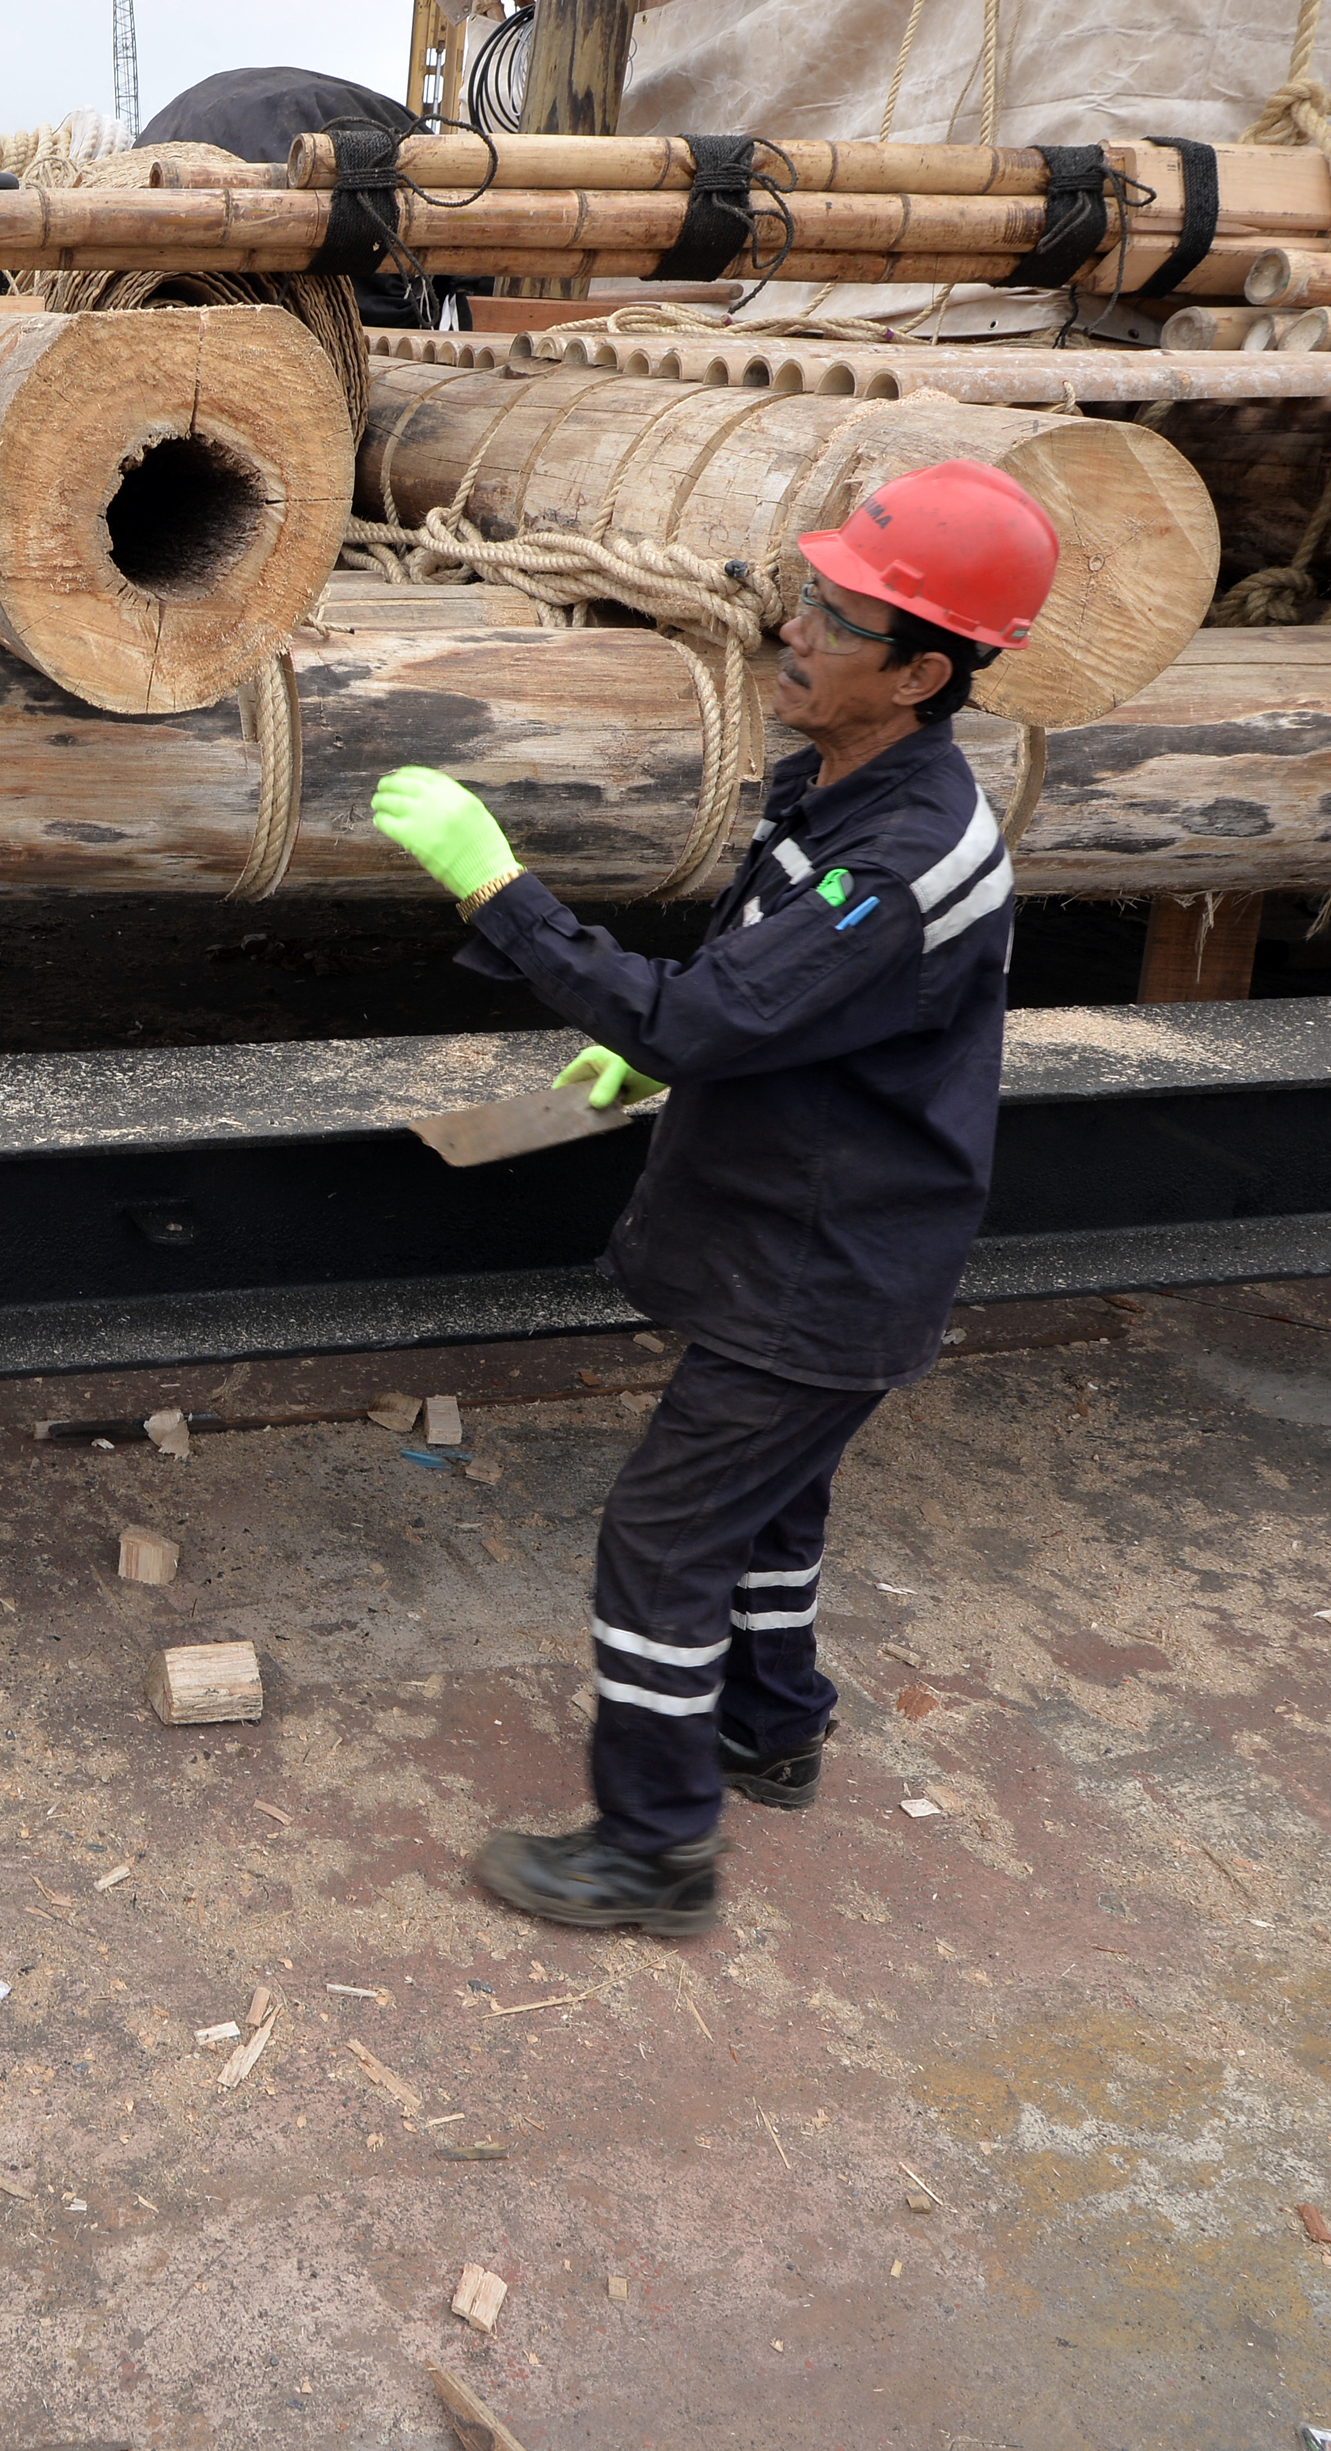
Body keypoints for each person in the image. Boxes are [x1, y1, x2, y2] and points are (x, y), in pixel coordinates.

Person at [365, 459, 1060, 1934]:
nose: (793, 628)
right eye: (806, 592)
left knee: (665, 1544)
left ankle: (653, 1851)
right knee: (774, 1507)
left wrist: (503, 895)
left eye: (836, 615)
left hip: (822, 1268)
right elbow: (753, 1007)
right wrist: (681, 1057)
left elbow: (700, 1016)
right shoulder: (849, 780)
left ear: (924, 671)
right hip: (806, 1227)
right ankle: (772, 1725)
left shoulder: (905, 858)